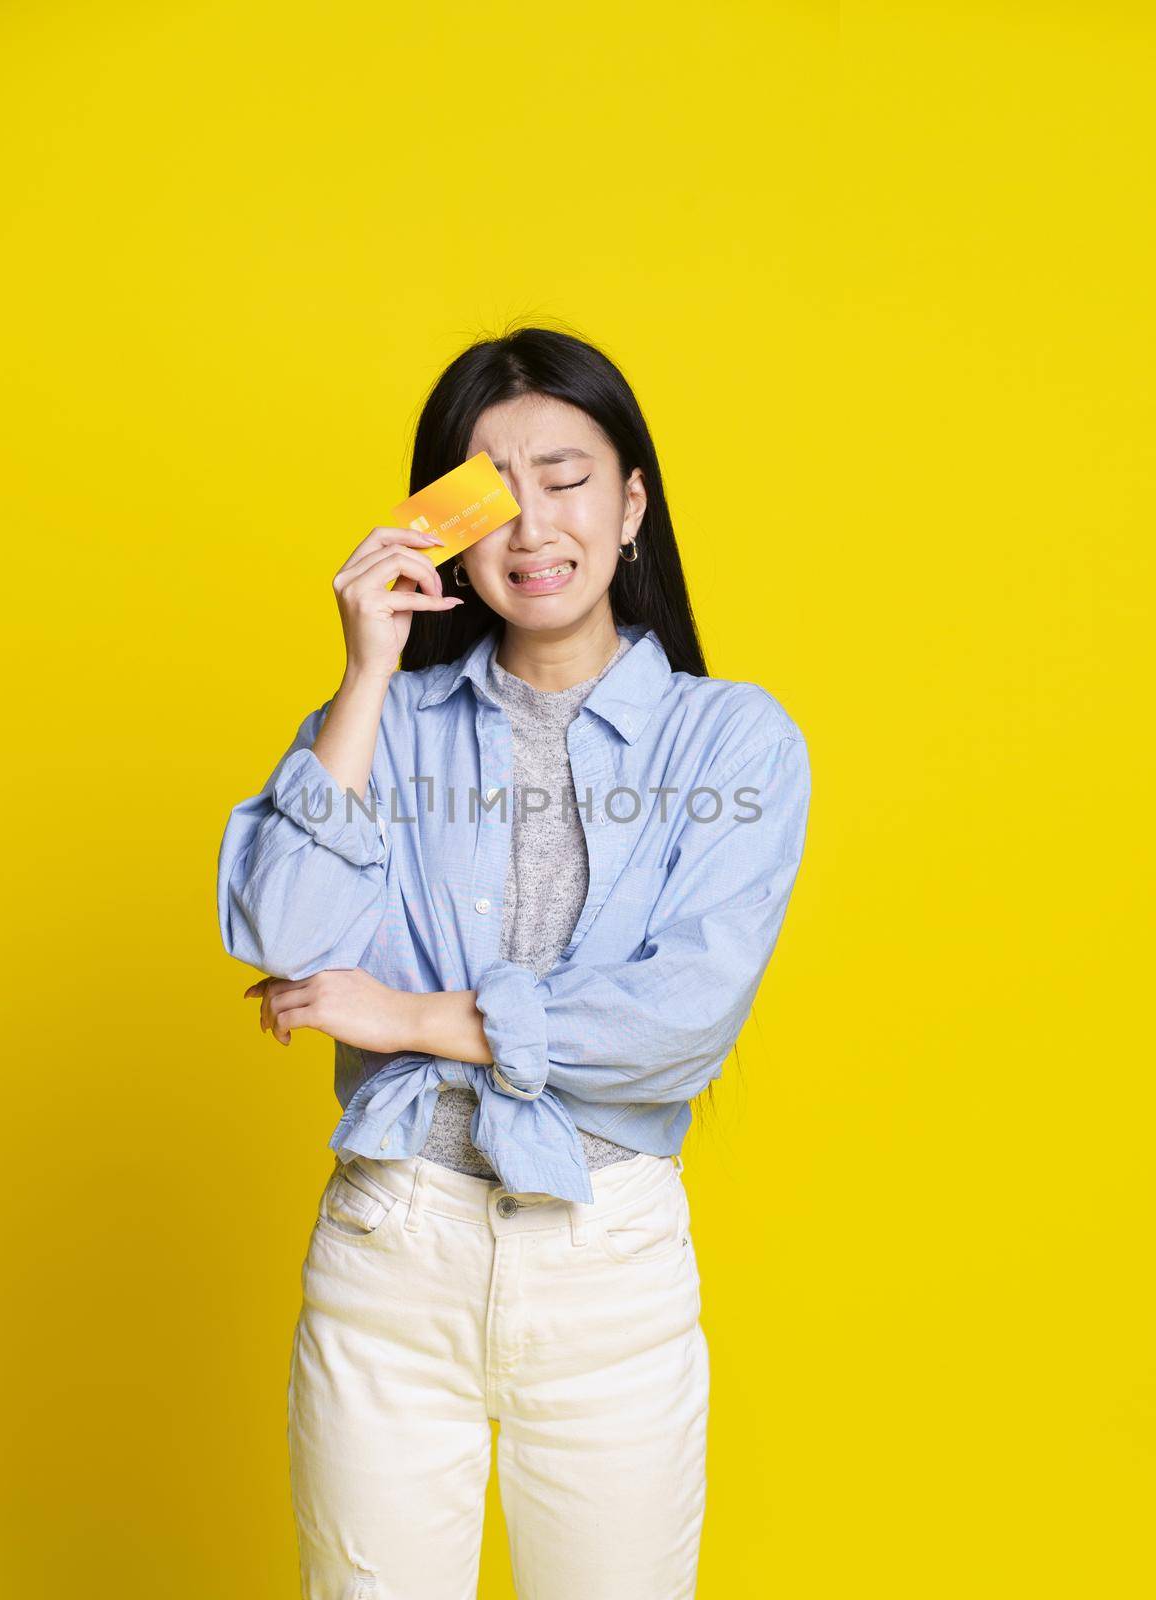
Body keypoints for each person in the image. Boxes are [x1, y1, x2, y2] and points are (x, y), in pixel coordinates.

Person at [215, 326, 812, 1599]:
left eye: (566, 474)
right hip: (390, 1256)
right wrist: (364, 675)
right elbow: (280, 931)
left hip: (606, 1265)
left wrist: (411, 1015)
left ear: (633, 500)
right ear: (440, 524)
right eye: (489, 488)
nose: (532, 523)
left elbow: (681, 1019)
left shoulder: (732, 741)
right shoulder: (379, 728)